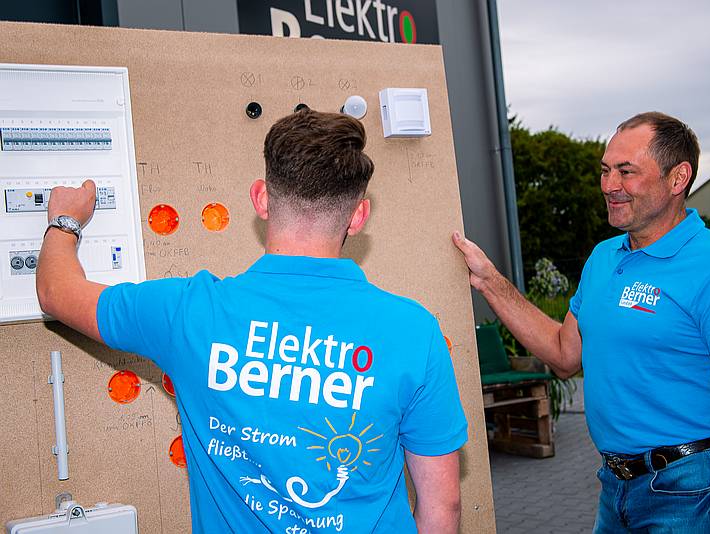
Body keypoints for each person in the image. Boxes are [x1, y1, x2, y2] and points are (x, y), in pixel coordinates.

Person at [37, 110, 467, 533]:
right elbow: (442, 507)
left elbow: (56, 293)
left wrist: (65, 221)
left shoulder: (188, 312)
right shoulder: (415, 332)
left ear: (260, 198)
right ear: (358, 216)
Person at [453, 112, 710, 533]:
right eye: (606, 170)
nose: (609, 185)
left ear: (678, 179)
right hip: (615, 488)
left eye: (626, 171)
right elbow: (564, 354)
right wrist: (491, 282)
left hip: (690, 491)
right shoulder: (604, 259)